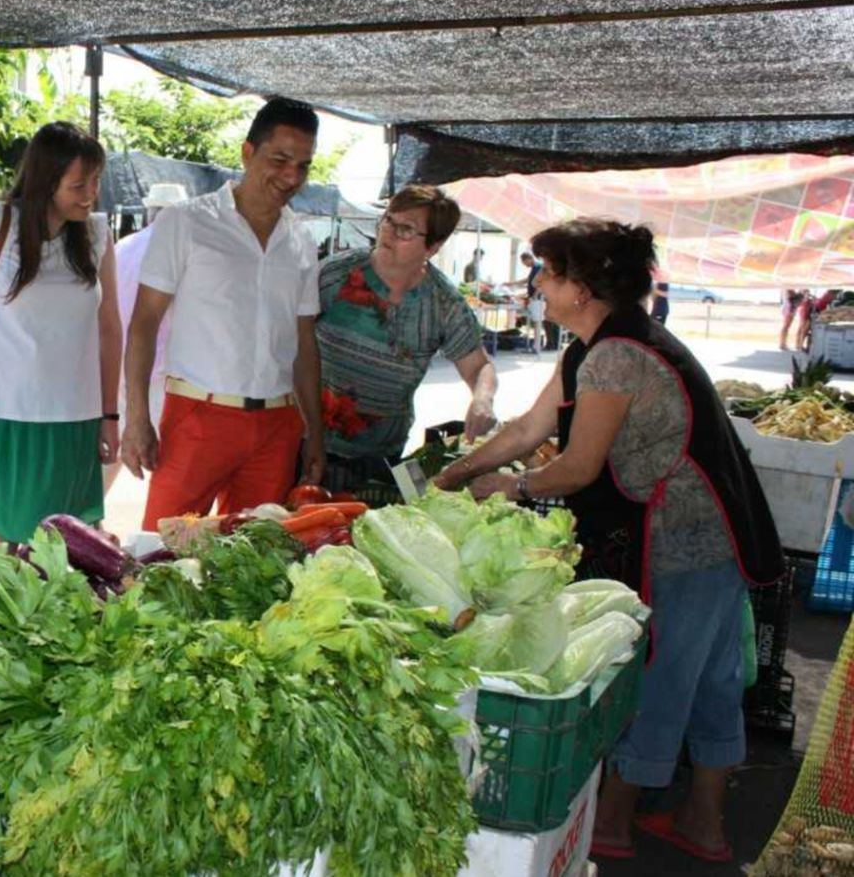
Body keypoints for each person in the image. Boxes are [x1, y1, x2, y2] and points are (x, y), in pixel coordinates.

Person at [433, 217, 783, 865]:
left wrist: (506, 490)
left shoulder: (617, 355)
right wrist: (458, 471)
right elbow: (527, 427)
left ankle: (617, 821)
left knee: (663, 677)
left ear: (582, 287)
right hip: (710, 535)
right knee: (710, 681)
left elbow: (577, 466)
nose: (537, 285)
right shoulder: (594, 346)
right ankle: (703, 824)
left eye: (548, 273)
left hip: (687, 543)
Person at [122, 98, 325, 529]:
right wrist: (136, 419)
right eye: (280, 160)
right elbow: (143, 324)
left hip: (277, 425)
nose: (291, 176)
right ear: (248, 153)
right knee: (163, 553)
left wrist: (315, 434)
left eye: (303, 165)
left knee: (252, 560)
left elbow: (304, 345)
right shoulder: (186, 223)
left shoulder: (302, 241)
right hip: (197, 417)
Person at [0, 122, 121, 548]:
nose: (90, 193)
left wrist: (110, 416)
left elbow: (110, 326)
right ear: (46, 179)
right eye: (78, 184)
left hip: (73, 416)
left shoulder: (96, 232)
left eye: (95, 181)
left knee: (59, 550)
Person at [312, 185, 497, 483]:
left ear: (433, 247)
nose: (389, 232)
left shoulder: (443, 303)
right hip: (309, 442)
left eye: (406, 229)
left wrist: (482, 399)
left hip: (383, 453)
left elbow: (479, 365)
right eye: (388, 220)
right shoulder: (334, 275)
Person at [102, 182, 187, 494]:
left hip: (119, 363)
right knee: (168, 462)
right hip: (162, 369)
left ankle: (85, 526)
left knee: (113, 450)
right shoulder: (181, 251)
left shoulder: (124, 245)